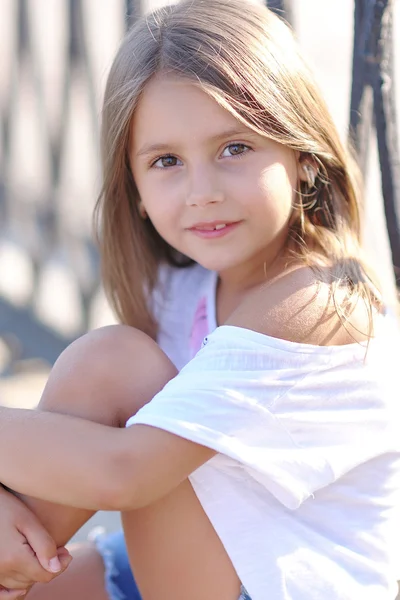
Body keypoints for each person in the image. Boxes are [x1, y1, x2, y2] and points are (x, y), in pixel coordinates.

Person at [1, 0, 400, 598]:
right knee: (31, 575)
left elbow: (125, 473)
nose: (202, 192)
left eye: (235, 148)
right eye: (166, 161)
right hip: (191, 555)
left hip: (276, 584)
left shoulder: (316, 303)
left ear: (303, 158)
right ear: (133, 189)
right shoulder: (180, 289)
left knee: (109, 365)